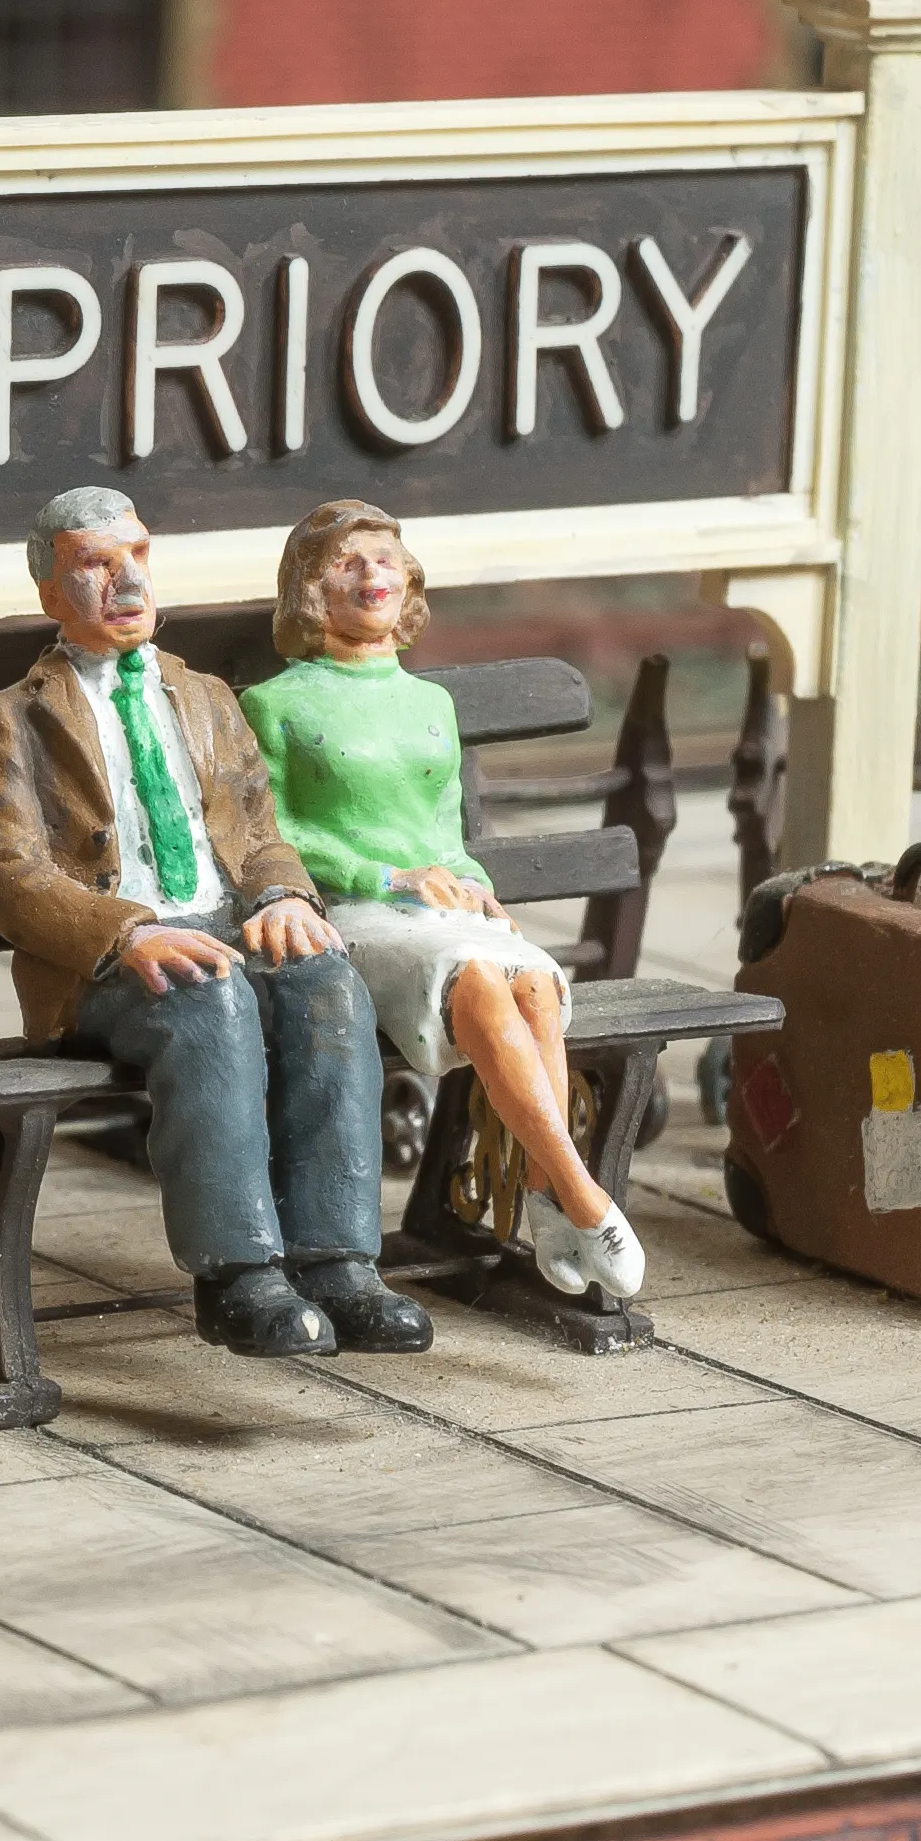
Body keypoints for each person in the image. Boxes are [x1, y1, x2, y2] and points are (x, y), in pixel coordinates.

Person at [0, 488, 429, 1360]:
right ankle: (239, 1276)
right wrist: (129, 932)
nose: (126, 579)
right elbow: (13, 878)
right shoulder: (9, 720)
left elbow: (259, 834)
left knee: (326, 986)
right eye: (97, 564)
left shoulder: (208, 696)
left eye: (136, 555)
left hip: (224, 922)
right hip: (107, 961)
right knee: (209, 1001)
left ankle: (340, 1264)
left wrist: (285, 896)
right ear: (51, 592)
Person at [238, 500, 646, 1303]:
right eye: (349, 563)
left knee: (532, 979)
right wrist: (385, 877)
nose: (372, 575)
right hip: (350, 915)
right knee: (477, 980)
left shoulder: (431, 706)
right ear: (313, 590)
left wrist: (480, 891)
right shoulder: (277, 704)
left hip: (439, 914)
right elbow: (271, 836)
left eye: (385, 558)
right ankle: (583, 1194)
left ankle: (545, 1198)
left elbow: (444, 833)